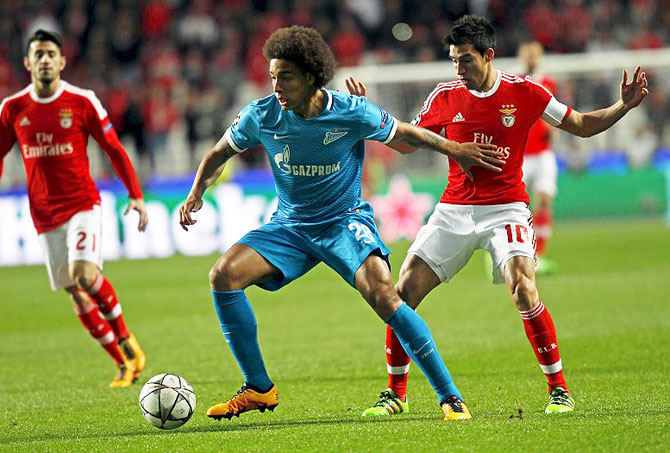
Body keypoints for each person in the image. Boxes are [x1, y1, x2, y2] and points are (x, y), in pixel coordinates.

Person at [178, 25, 506, 421]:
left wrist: (456, 148)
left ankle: (449, 397)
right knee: (222, 275)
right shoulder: (261, 115)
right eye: (272, 77)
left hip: (343, 221)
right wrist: (196, 192)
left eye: (286, 76)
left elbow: (407, 133)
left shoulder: (350, 111)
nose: (277, 86)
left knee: (385, 295)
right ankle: (258, 389)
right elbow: (218, 153)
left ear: (312, 77)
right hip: (290, 227)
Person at [353, 15, 647, 416]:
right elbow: (407, 143)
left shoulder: (525, 92)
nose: (459, 70)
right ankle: (396, 395)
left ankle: (559, 390)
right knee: (401, 294)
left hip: (505, 208)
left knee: (524, 288)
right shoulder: (444, 95)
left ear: (489, 55)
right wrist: (367, 114)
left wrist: (622, 106)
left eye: (467, 61)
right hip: (454, 209)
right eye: (454, 61)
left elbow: (579, 125)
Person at [0, 30, 148, 388]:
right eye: (39, 54)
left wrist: (136, 194)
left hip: (82, 203)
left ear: (62, 61)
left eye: (52, 53)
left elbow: (113, 147)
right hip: (43, 214)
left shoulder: (82, 101)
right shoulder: (12, 108)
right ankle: (122, 363)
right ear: (28, 62)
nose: (46, 59)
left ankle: (127, 339)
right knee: (74, 291)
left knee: (84, 274)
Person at [518, 41, 559, 274]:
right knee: (517, 206)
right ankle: (512, 253)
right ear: (522, 56)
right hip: (521, 154)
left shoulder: (548, 82)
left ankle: (539, 255)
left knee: (544, 200)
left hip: (543, 152)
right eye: (528, 52)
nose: (532, 57)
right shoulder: (515, 81)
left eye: (536, 53)